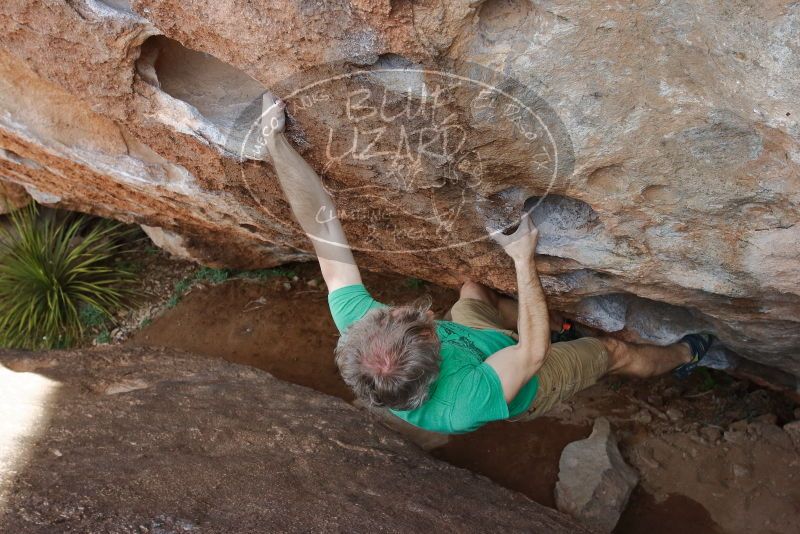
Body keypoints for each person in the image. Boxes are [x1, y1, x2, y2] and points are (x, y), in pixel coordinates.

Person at [258, 93, 712, 434]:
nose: (391, 309)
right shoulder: (462, 403)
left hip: (483, 342)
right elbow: (531, 356)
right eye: (416, 323)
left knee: (473, 292)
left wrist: (274, 142)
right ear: (435, 354)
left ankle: (556, 327)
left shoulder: (364, 329)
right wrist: (521, 258)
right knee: (612, 353)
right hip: (528, 377)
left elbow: (321, 227)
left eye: (388, 316)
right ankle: (690, 353)